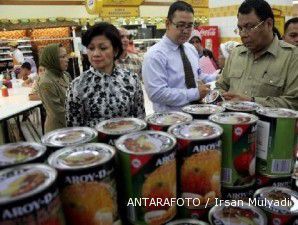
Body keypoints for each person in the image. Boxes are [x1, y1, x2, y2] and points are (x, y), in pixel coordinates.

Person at [216, 0, 298, 110]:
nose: (243, 34)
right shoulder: (236, 53)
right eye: (240, 28)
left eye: (249, 27)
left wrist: (252, 102)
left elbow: (293, 102)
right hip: (232, 122)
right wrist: (221, 96)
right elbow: (220, 86)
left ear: (269, 24)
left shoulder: (292, 56)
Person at [66, 22, 145, 128]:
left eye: (103, 48)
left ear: (115, 51)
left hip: (126, 141)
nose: (96, 54)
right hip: (94, 143)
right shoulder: (77, 85)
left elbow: (140, 118)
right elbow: (74, 128)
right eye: (91, 48)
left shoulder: (131, 80)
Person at [142, 1, 210, 112]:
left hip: (197, 114)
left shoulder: (190, 49)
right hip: (170, 121)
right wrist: (195, 93)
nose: (185, 31)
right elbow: (157, 94)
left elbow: (198, 75)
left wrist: (216, 78)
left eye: (189, 26)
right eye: (181, 25)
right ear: (168, 24)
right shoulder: (155, 55)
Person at [37, 44, 70, 133]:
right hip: (59, 130)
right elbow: (58, 112)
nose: (67, 59)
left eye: (66, 56)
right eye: (62, 57)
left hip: (69, 126)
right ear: (52, 59)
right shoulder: (46, 82)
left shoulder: (65, 75)